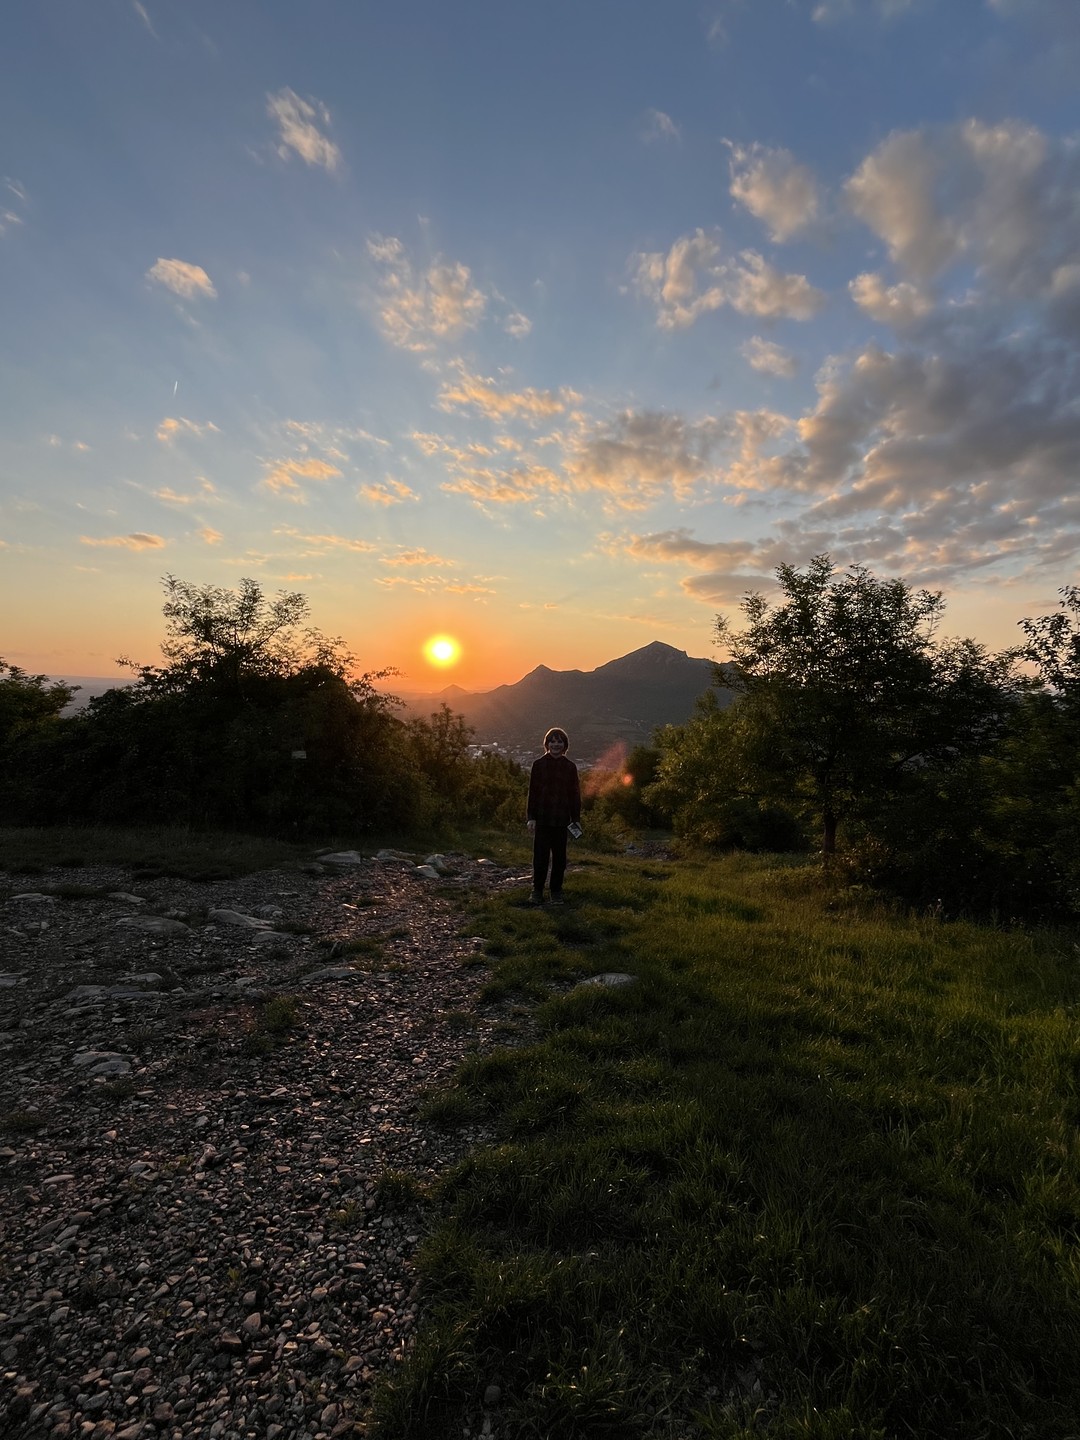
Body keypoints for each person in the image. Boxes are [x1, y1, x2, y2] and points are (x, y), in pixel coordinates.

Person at [526, 726, 581, 905]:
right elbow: (532, 793)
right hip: (542, 819)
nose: (556, 744)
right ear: (547, 743)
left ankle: (556, 892)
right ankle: (537, 890)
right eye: (552, 741)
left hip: (561, 820)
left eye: (559, 741)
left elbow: (575, 795)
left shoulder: (570, 767)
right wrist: (531, 817)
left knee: (559, 859)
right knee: (540, 858)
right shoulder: (538, 765)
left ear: (565, 745)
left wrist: (576, 820)